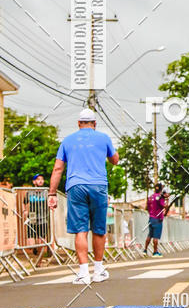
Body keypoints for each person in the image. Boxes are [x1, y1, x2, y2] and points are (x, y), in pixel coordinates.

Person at [48, 107, 119, 284]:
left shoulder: (67, 141)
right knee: (99, 229)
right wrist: (108, 154)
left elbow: (58, 168)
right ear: (95, 124)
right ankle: (99, 270)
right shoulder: (103, 138)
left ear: (79, 124)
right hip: (98, 186)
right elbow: (115, 160)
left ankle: (83, 273)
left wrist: (52, 193)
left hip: (76, 186)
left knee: (81, 230)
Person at [23, 173, 49, 258]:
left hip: (43, 217)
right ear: (34, 182)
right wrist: (24, 211)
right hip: (32, 217)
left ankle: (39, 260)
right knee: (31, 239)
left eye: (42, 179)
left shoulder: (46, 192)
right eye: (38, 179)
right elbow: (24, 203)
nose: (41, 181)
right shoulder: (30, 192)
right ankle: (33, 248)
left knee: (41, 241)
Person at [144, 183, 169, 256]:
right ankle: (155, 252)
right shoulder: (159, 197)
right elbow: (165, 206)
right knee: (156, 237)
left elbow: (147, 207)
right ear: (161, 189)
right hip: (158, 219)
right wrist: (166, 199)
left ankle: (145, 250)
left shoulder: (150, 197)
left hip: (151, 218)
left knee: (149, 235)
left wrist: (151, 214)